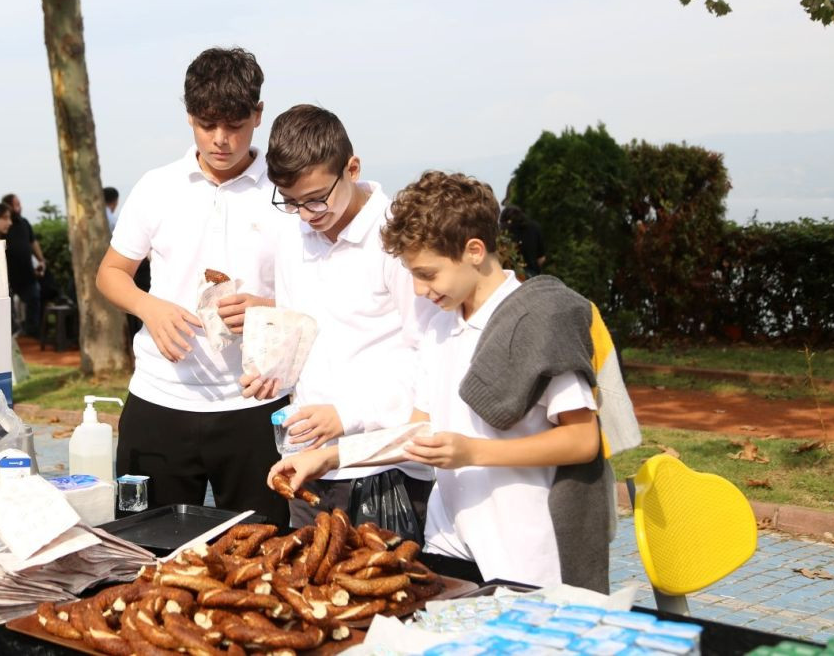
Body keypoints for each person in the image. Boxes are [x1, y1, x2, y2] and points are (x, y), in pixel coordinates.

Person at [270, 171, 616, 591]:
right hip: (447, 540)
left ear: (474, 250)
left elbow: (582, 441)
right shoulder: (439, 327)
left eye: (428, 274)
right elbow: (419, 431)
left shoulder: (538, 322)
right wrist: (327, 458)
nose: (417, 289)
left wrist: (473, 451)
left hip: (526, 551)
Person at [96, 47, 288, 525]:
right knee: (148, 557)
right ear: (188, 117)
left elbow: (318, 292)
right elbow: (110, 274)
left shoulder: (285, 194)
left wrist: (271, 308)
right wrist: (150, 308)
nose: (221, 140)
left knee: (263, 558)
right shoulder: (158, 187)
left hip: (256, 407)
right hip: (161, 401)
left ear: (259, 116)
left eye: (236, 125)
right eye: (207, 125)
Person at [240, 105, 436, 540]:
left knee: (386, 599)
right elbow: (302, 329)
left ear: (352, 167)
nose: (308, 214)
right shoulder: (292, 235)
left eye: (316, 198)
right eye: (291, 202)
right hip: (310, 459)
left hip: (386, 468)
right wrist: (273, 370)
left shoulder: (396, 241)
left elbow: (431, 359)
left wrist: (349, 416)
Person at [1, 193, 47, 338]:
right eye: (16, 204)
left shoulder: (24, 223)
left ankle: (31, 331)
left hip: (26, 272)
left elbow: (33, 242)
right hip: (8, 272)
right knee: (7, 304)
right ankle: (9, 332)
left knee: (34, 298)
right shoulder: (2, 225)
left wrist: (41, 260)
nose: (19, 207)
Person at [500, 204, 547, 277]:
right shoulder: (535, 227)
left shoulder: (502, 230)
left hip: (508, 277)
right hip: (532, 276)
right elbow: (542, 258)